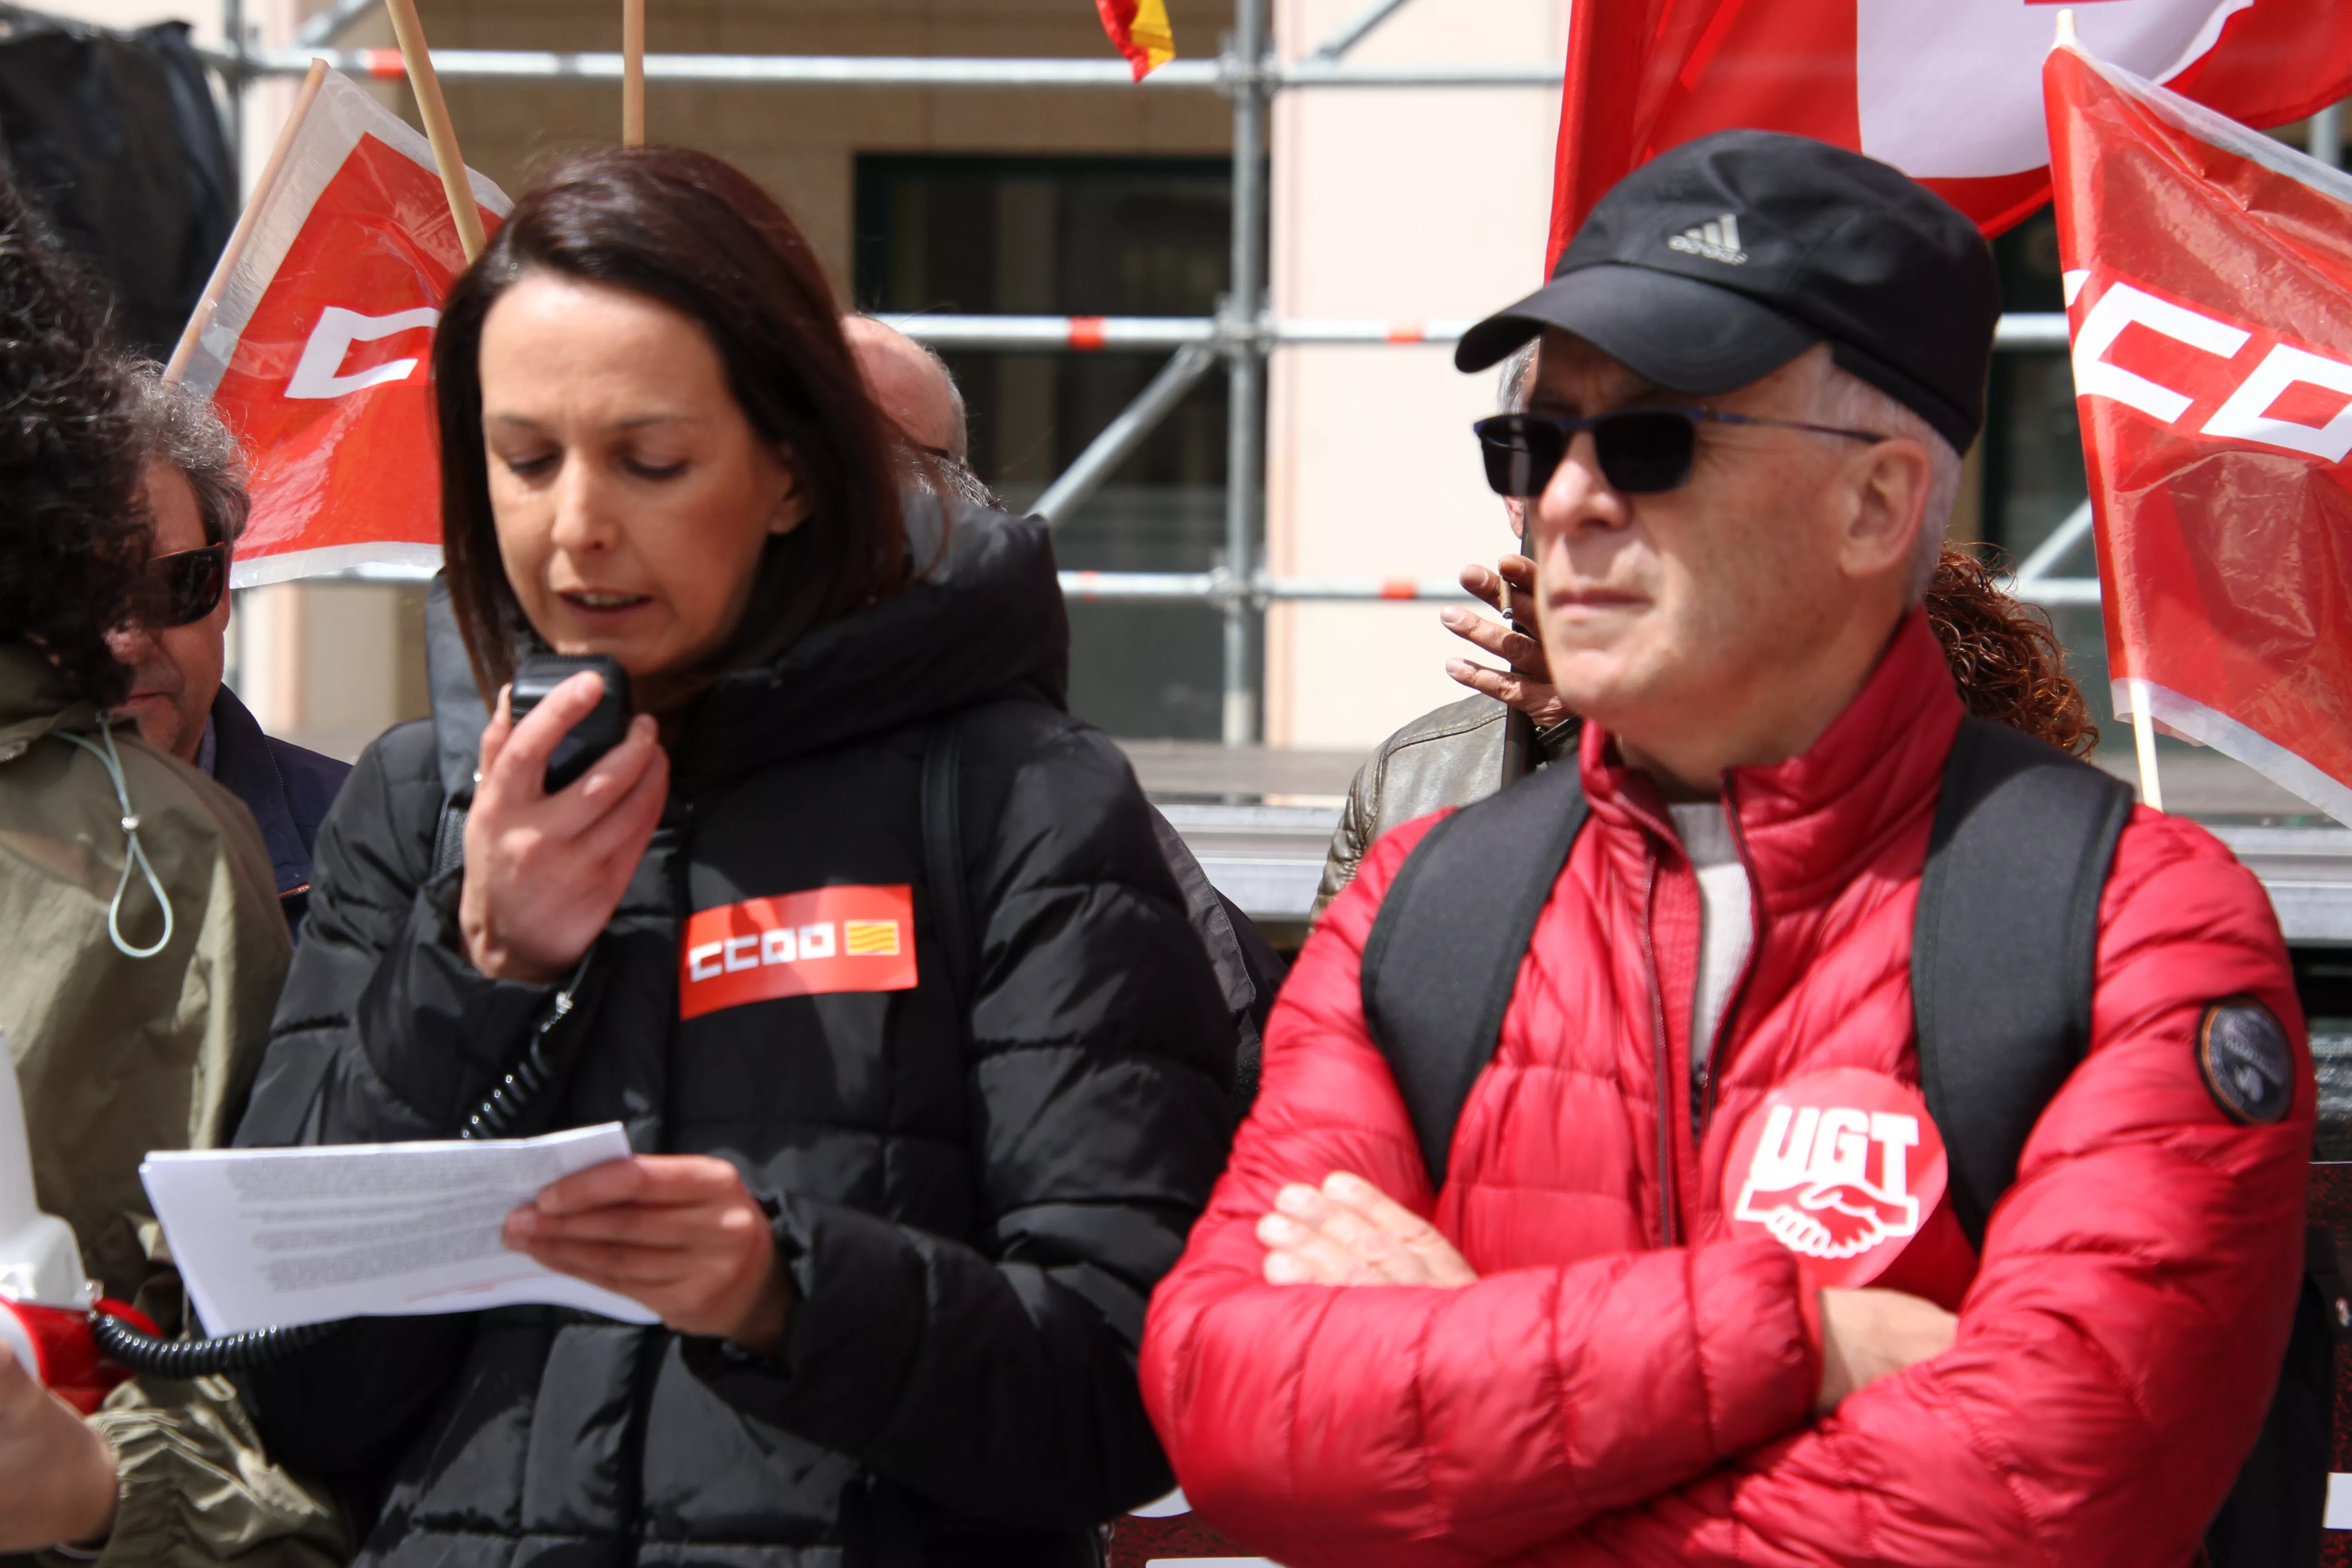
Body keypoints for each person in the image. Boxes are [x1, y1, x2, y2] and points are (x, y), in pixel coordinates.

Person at [1139, 130, 2308, 1566]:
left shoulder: (2137, 926)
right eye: (1535, 441)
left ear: (1878, 504)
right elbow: (1231, 1411)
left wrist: (1461, 1385)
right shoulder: (1426, 902)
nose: (1565, 499)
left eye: (1652, 441)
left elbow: (2031, 1512)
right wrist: (1792, 1337)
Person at [233, 146, 1236, 1568]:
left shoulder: (1022, 800)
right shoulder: (419, 802)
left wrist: (794, 1291)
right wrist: (477, 976)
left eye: (651, 461)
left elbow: (1129, 1392)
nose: (576, 525)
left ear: (790, 473)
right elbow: (291, 1387)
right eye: (524, 461)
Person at [0, 173, 346, 1564]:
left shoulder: (289, 850)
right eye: (101, 590)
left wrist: (84, 1486)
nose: (137, 637)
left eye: (179, 589)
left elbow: (283, 1389)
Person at [104, 367, 351, 938]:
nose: (128, 636)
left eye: (173, 584)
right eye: (73, 595)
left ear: (222, 591)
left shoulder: (382, 852)